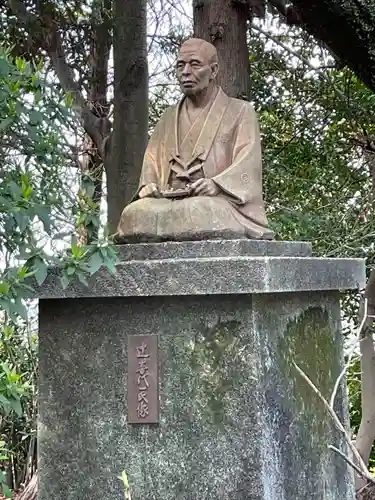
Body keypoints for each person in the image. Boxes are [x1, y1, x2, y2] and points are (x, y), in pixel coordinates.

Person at [115, 37, 274, 242]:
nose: (186, 72)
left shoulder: (241, 111)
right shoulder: (168, 117)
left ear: (213, 71)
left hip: (214, 202)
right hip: (167, 201)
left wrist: (217, 184)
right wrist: (149, 185)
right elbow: (152, 162)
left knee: (201, 210)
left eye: (195, 64)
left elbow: (248, 164)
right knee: (134, 214)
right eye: (180, 65)